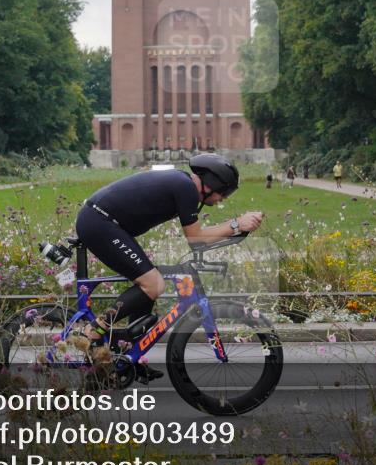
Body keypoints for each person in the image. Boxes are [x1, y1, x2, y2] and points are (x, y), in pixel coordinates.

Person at [74, 153, 263, 382]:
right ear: (212, 183)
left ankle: (129, 355)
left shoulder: (184, 186)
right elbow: (196, 239)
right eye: (224, 192)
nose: (223, 198)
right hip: (99, 222)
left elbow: (198, 237)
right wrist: (236, 224)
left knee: (149, 282)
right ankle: (94, 329)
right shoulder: (186, 188)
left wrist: (235, 227)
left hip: (104, 222)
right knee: (153, 283)